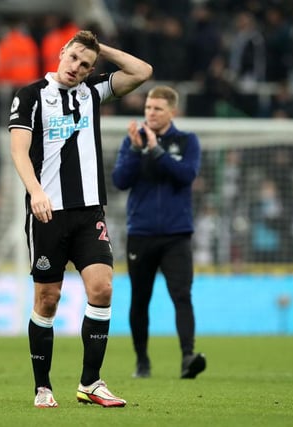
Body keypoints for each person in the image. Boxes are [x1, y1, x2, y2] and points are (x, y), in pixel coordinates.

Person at [9, 30, 152, 408]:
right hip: (47, 212)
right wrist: (36, 191)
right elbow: (19, 151)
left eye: (86, 64)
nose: (77, 68)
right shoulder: (30, 96)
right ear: (61, 53)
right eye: (74, 58)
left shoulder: (93, 92)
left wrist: (98, 49)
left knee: (103, 288)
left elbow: (142, 71)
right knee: (48, 299)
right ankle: (43, 387)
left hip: (90, 212)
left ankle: (91, 382)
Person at [111, 85, 205, 379]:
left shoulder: (187, 141)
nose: (150, 113)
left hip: (177, 234)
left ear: (172, 112)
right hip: (141, 232)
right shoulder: (133, 142)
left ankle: (188, 357)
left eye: (157, 109)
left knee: (182, 295)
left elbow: (186, 175)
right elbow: (120, 181)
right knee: (140, 299)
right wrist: (139, 151)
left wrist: (157, 151)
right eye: (148, 108)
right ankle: (142, 362)